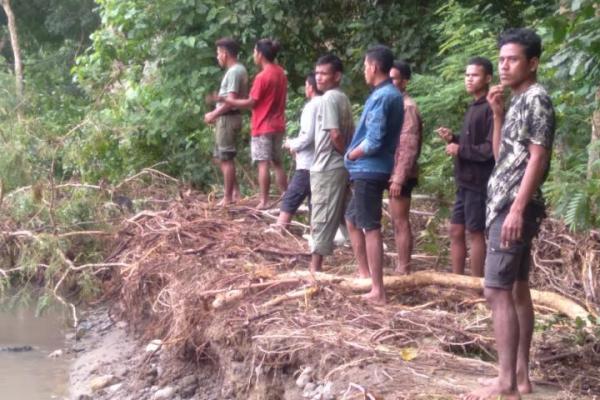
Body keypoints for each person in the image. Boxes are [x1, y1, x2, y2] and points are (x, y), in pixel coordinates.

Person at [463, 28, 555, 400]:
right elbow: (504, 157)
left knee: (495, 290)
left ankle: (506, 384)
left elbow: (538, 157)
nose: (503, 65)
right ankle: (519, 376)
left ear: (532, 63)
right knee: (516, 289)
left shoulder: (537, 99)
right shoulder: (517, 100)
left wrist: (517, 208)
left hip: (514, 208)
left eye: (512, 59)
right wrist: (498, 114)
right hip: (503, 204)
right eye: (501, 59)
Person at [345, 45, 404, 304]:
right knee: (352, 219)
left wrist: (352, 154)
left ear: (375, 67)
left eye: (365, 66)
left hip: (370, 169)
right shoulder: (387, 94)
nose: (364, 71)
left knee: (370, 227)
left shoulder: (383, 97)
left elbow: (375, 140)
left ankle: (378, 291)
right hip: (369, 169)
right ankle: (366, 276)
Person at [437, 57, 495, 277]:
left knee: (475, 232)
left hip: (479, 181)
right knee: (455, 229)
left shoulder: (491, 108)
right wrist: (454, 138)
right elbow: (472, 142)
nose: (469, 79)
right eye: (467, 75)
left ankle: (475, 286)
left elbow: (490, 149)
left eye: (475, 75)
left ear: (488, 78)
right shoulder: (474, 105)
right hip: (464, 180)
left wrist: (459, 149)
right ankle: (457, 280)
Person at [224, 38, 288, 209]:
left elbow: (251, 102)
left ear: (260, 54)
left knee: (263, 163)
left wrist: (229, 101)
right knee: (277, 162)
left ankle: (264, 201)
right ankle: (285, 197)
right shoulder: (281, 73)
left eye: (254, 52)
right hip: (278, 124)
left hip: (262, 125)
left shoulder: (262, 77)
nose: (253, 55)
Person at [309, 54, 354, 273]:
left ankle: (314, 271)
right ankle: (365, 266)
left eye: (324, 73)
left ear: (337, 76)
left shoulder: (328, 99)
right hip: (339, 166)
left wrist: (346, 155)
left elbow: (335, 134)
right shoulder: (342, 98)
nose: (319, 77)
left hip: (328, 166)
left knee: (321, 215)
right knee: (348, 215)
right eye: (317, 73)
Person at [204, 38, 248, 206]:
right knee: (222, 157)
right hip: (226, 119)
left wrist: (213, 114)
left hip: (228, 119)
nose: (217, 57)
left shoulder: (235, 71)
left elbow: (231, 100)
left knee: (226, 157)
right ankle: (235, 193)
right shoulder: (235, 71)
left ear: (225, 53)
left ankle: (228, 197)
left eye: (218, 53)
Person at [275, 73, 322, 228]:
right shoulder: (327, 103)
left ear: (310, 87)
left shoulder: (311, 106)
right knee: (314, 201)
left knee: (292, 196)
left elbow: (307, 136)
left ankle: (280, 227)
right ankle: (315, 232)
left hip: (308, 163)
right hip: (321, 161)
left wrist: (291, 144)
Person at [389, 60, 422, 275]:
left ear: (404, 82)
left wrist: (399, 177)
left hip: (401, 172)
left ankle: (404, 269)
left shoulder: (407, 107)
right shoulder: (391, 104)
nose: (390, 83)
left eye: (394, 79)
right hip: (389, 169)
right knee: (394, 219)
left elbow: (409, 145)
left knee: (400, 220)